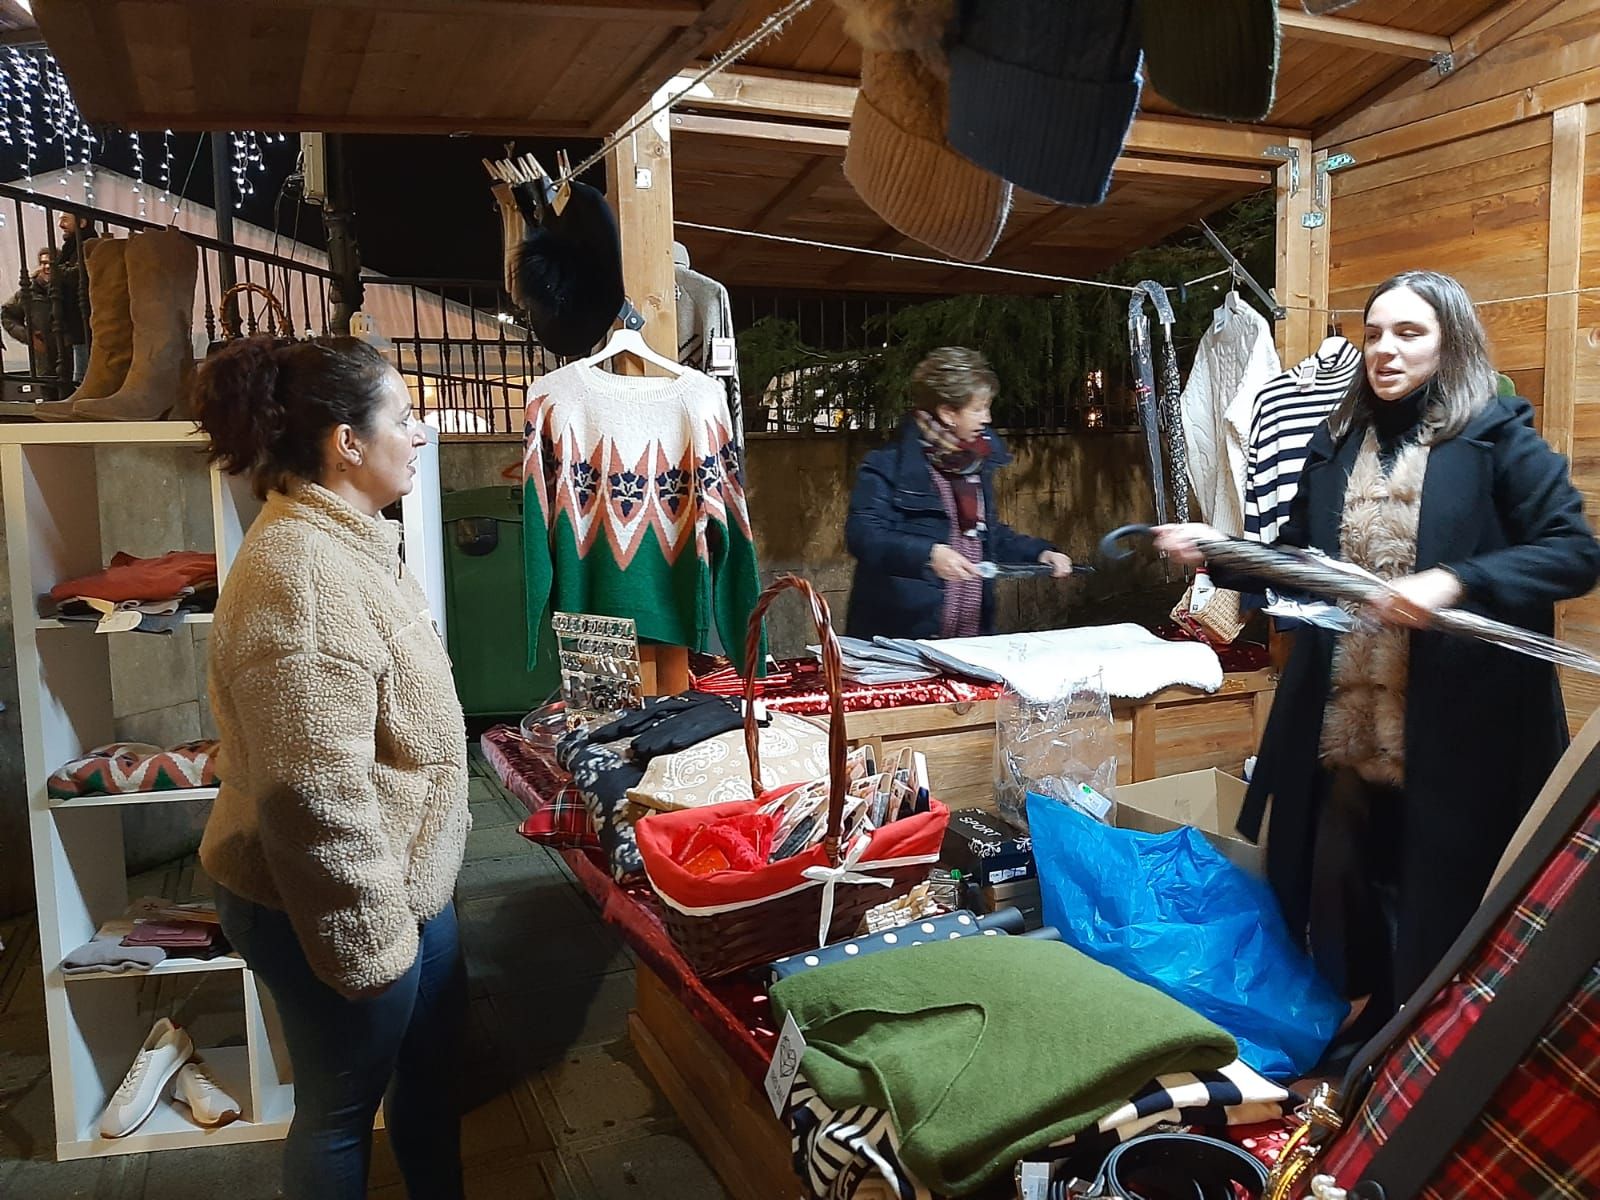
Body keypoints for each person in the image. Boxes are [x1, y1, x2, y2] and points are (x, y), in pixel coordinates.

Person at [1154, 270, 1600, 1047]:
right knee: (1334, 884)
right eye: (1375, 333)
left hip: (1458, 729)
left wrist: (1457, 579)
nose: (1385, 350)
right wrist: (1216, 554)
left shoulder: (1499, 435)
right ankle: (1358, 1036)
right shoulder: (1338, 443)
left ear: (1449, 339)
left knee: (1437, 905)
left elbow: (1574, 553)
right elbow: (1299, 558)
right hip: (1347, 719)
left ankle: (1422, 1062)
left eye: (1409, 333)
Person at [193, 336, 468, 1200]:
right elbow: (309, 790)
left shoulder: (349, 542)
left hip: (405, 884)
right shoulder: (302, 573)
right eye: (403, 417)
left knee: (429, 1085)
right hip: (330, 902)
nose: (420, 434)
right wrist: (369, 944)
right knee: (342, 1110)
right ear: (347, 442)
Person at [845, 346, 1071, 639]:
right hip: (902, 641)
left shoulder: (975, 464)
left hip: (971, 639)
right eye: (977, 409)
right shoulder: (887, 465)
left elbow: (988, 537)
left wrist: (1040, 552)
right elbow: (864, 535)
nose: (987, 418)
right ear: (948, 413)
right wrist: (928, 554)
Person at [54, 212, 97, 380]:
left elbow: (77, 275)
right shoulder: (71, 248)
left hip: (84, 317)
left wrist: (58, 270)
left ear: (82, 222)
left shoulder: (88, 245)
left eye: (65, 219)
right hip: (74, 319)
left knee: (83, 373)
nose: (60, 224)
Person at [2, 248, 57, 380]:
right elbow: (7, 316)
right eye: (43, 263)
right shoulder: (28, 293)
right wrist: (29, 337)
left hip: (71, 353)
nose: (47, 267)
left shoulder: (69, 288)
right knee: (48, 393)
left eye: (51, 263)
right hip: (43, 358)